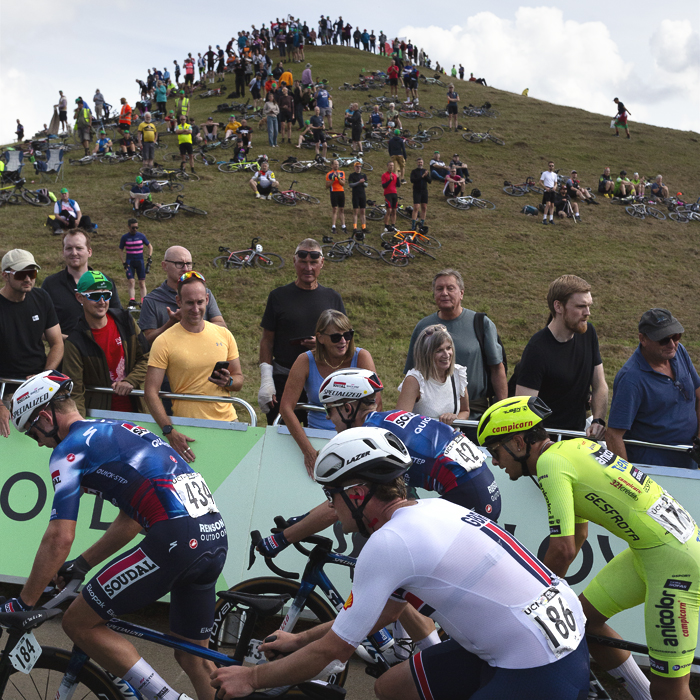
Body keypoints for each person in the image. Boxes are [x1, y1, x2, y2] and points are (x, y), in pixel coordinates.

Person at [213, 424, 586, 700]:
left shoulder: (388, 542)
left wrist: (251, 679)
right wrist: (298, 639)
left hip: (538, 662)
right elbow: (378, 616)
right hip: (540, 635)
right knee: (392, 686)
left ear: (358, 494)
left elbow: (334, 652)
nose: (330, 506)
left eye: (332, 494)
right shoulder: (434, 508)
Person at [7, 370, 226, 700]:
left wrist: (25, 601)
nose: (37, 441)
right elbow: (132, 520)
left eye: (33, 431)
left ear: (45, 416)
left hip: (176, 539)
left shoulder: (69, 450)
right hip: (214, 536)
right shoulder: (118, 428)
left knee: (78, 622)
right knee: (193, 655)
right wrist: (82, 564)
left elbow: (59, 536)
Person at [478, 396, 700, 700]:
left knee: (670, 689)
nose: (494, 462)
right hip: (653, 551)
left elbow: (564, 550)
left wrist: (533, 600)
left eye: (495, 452)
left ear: (518, 443)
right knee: (585, 624)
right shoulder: (572, 448)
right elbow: (579, 535)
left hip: (675, 564)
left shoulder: (549, 464)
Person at [144, 271, 243, 462]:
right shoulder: (164, 341)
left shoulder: (224, 334)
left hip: (228, 422)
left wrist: (228, 381)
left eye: (200, 302)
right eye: (189, 303)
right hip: (188, 428)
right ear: (178, 302)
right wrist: (169, 430)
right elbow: (150, 392)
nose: (195, 308)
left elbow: (238, 378)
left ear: (207, 299)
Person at [279, 311, 380, 473]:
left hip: (354, 438)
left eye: (348, 335)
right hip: (316, 436)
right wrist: (308, 451)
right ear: (320, 338)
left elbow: (376, 404)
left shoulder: (362, 356)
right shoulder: (305, 361)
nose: (343, 341)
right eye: (335, 337)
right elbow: (285, 407)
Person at [258, 239, 345, 425]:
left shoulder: (333, 298)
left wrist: (323, 345)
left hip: (322, 380)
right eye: (303, 262)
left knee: (321, 438)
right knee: (282, 438)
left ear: (322, 263)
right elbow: (267, 341)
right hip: (284, 378)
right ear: (294, 262)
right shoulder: (278, 296)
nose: (308, 268)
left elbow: (344, 341)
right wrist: (267, 381)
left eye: (313, 263)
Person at [405, 269, 507, 424]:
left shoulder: (481, 324)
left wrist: (501, 410)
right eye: (439, 289)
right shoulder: (424, 327)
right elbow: (412, 372)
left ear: (461, 293)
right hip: (432, 419)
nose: (444, 293)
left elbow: (497, 368)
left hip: (475, 415)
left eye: (450, 288)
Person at [607, 308, 700, 469]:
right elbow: (614, 436)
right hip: (654, 471)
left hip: (688, 463)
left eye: (676, 336)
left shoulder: (679, 352)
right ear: (643, 339)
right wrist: (630, 482)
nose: (672, 344)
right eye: (663, 339)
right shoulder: (631, 379)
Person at [515, 274, 608, 437]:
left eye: (589, 306)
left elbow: (600, 384)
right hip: (547, 443)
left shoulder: (589, 333)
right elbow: (524, 409)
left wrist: (598, 420)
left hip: (578, 439)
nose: (588, 313)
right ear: (558, 306)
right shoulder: (536, 349)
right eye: (581, 306)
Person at [62, 271, 149, 416]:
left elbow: (147, 357)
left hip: (137, 413)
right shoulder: (75, 342)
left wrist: (131, 380)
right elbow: (75, 393)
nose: (102, 301)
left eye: (106, 295)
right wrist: (80, 426)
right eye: (95, 296)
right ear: (79, 297)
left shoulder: (126, 321)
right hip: (100, 417)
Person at [0, 249, 63, 438]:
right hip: (6, 387)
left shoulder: (41, 297)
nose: (28, 278)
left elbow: (57, 343)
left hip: (39, 385)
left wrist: (45, 375)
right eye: (21, 274)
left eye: (32, 273)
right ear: (5, 275)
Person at [138, 246, 227, 347]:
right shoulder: (151, 300)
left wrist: (194, 321)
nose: (185, 269)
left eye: (188, 264)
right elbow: (147, 341)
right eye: (179, 264)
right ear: (164, 265)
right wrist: (171, 323)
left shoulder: (203, 293)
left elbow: (222, 327)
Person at [41, 230, 122, 337]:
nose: (74, 253)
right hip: (66, 350)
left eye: (79, 248)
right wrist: (71, 342)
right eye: (69, 248)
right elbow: (40, 326)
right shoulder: (50, 284)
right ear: (63, 251)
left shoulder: (105, 282)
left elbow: (119, 319)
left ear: (89, 252)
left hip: (102, 349)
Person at [397, 324, 469, 426]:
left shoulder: (457, 373)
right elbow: (399, 422)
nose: (446, 354)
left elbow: (465, 411)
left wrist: (455, 419)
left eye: (448, 348)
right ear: (425, 354)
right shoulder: (415, 380)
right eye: (439, 351)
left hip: (452, 438)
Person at [119, 219, 153, 307]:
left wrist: (149, 257)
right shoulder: (125, 237)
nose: (135, 229)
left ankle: (143, 302)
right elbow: (120, 250)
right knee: (131, 281)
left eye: (136, 227)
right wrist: (123, 262)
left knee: (142, 283)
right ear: (129, 227)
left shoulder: (141, 236)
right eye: (133, 227)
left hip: (140, 262)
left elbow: (150, 246)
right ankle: (132, 300)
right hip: (129, 262)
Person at [325, 159, 346, 242]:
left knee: (342, 209)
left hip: (341, 192)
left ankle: (343, 225)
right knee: (335, 209)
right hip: (333, 192)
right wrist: (333, 180)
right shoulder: (329, 174)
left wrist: (339, 179)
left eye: (337, 164)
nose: (336, 166)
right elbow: (327, 185)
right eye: (335, 164)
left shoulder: (342, 173)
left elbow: (343, 183)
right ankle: (333, 226)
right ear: (332, 165)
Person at [348, 160, 368, 237]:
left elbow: (366, 184)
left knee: (363, 211)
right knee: (355, 211)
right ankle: (355, 227)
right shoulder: (352, 175)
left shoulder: (363, 175)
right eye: (357, 167)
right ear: (354, 167)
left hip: (362, 194)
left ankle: (364, 227)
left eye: (359, 167)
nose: (358, 168)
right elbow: (350, 185)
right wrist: (358, 182)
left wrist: (362, 183)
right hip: (355, 194)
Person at [410, 157, 431, 232]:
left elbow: (430, 181)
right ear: (417, 163)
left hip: (424, 191)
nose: (420, 164)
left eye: (421, 162)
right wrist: (422, 176)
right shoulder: (414, 171)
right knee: (416, 207)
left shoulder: (425, 171)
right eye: (419, 162)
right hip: (416, 191)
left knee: (424, 207)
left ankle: (422, 223)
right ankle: (413, 224)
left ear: (423, 163)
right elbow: (412, 180)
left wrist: (426, 176)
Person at [381, 160, 401, 233]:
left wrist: (398, 177)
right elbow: (384, 185)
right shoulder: (384, 175)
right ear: (387, 166)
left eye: (392, 165)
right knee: (389, 210)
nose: (391, 167)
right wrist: (390, 180)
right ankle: (386, 225)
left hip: (394, 193)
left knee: (394, 211)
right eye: (390, 165)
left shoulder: (394, 175)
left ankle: (393, 225)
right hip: (388, 194)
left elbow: (398, 185)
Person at [539, 160, 558, 225]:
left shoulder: (555, 175)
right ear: (548, 166)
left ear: (553, 167)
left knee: (552, 205)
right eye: (550, 166)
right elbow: (540, 182)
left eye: (552, 166)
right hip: (547, 190)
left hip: (552, 190)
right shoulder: (544, 173)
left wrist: (555, 187)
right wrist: (545, 188)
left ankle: (551, 219)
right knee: (548, 204)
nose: (551, 167)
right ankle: (544, 218)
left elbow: (556, 183)